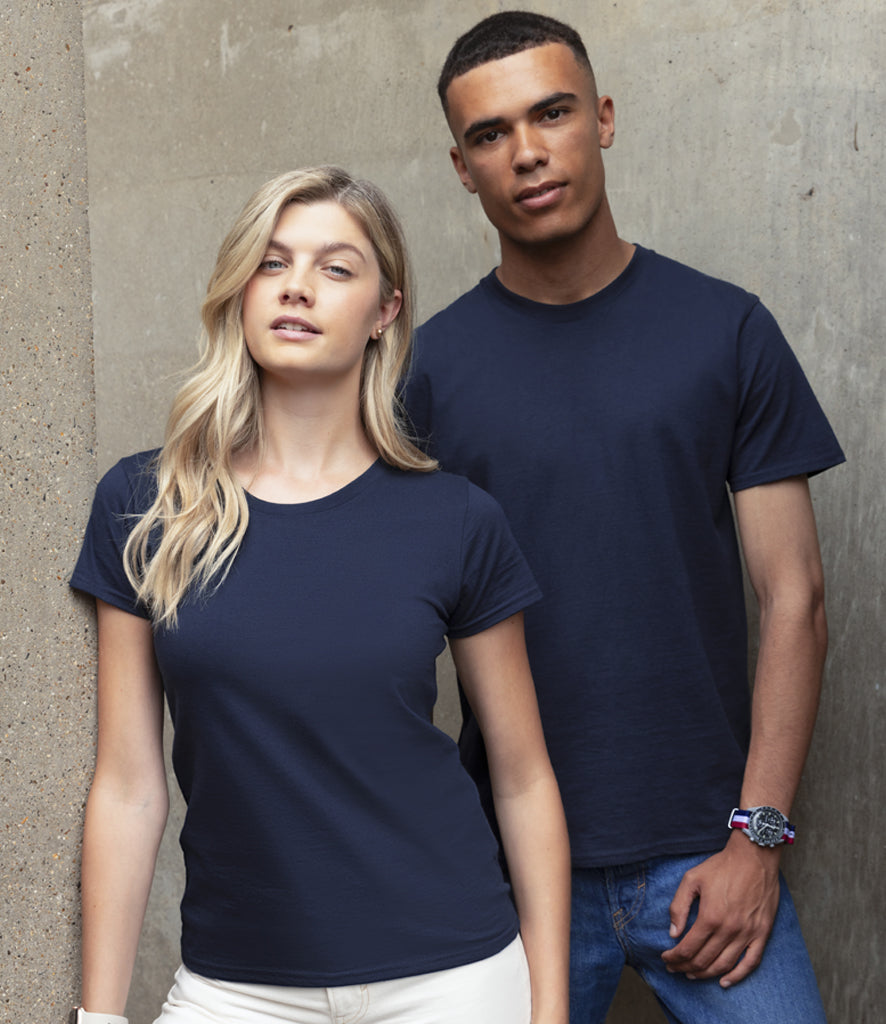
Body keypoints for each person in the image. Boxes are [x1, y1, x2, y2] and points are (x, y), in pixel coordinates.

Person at [403, 11, 844, 1023]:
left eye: (551, 113)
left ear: (602, 118)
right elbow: (385, 634)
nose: (526, 151)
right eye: (489, 134)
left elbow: (796, 600)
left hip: (711, 852)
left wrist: (758, 841)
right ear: (463, 168)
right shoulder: (426, 373)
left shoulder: (725, 329)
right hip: (508, 868)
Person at [70, 166, 570, 1024]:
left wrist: (549, 1008)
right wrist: (99, 1017)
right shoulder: (145, 506)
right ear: (240, 290)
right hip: (237, 985)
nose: (296, 286)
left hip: (450, 974)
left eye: (336, 268)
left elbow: (523, 780)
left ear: (385, 312)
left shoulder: (455, 519)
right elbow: (127, 784)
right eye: (272, 262)